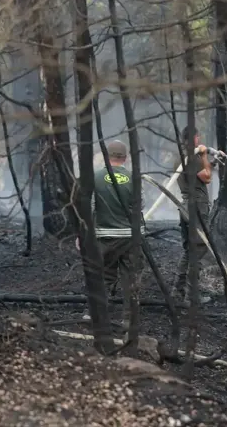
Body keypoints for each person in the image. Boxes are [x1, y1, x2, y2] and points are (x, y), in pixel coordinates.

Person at [78, 140, 144, 328]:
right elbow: (139, 206)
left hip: (103, 236)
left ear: (106, 155)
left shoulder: (95, 177)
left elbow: (89, 207)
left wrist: (84, 234)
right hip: (129, 236)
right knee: (130, 278)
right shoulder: (134, 178)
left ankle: (93, 313)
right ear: (125, 158)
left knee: (101, 275)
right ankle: (129, 318)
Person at [174, 126, 213, 304]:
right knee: (198, 249)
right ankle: (192, 295)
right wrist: (205, 156)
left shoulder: (181, 157)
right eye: (198, 137)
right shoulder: (194, 157)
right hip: (197, 207)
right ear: (195, 138)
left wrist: (214, 159)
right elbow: (206, 177)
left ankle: (178, 291)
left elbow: (200, 173)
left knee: (189, 249)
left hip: (185, 207)